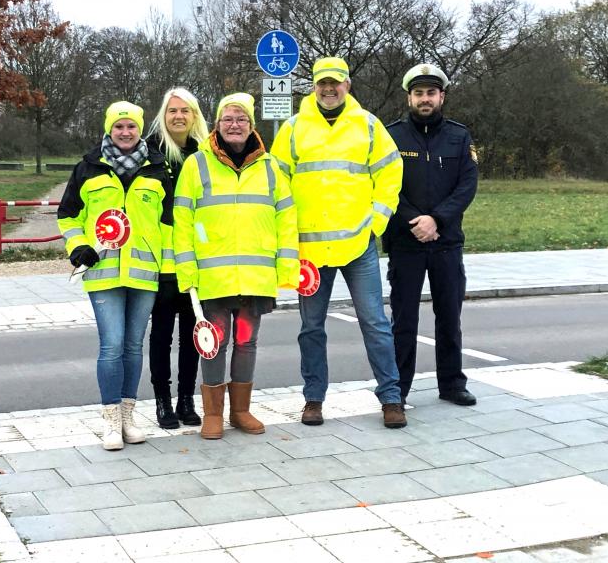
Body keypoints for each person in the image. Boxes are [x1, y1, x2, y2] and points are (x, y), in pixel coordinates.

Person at [271, 56, 407, 429]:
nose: (329, 89)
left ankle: (391, 398)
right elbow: (277, 183)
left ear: (348, 85)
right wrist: (286, 235)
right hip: (310, 250)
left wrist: (376, 221)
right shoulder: (294, 128)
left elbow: (391, 171)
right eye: (322, 83)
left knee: (375, 323)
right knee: (310, 328)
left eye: (336, 83)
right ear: (313, 86)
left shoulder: (367, 125)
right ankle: (313, 399)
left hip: (356, 243)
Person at [173, 92, 299, 440]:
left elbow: (286, 221)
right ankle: (213, 413)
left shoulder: (271, 168)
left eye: (241, 119)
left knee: (246, 341)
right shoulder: (196, 165)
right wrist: (187, 270)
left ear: (251, 125)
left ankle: (241, 410)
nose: (234, 125)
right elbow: (182, 220)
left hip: (256, 276)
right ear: (217, 125)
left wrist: (286, 268)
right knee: (215, 342)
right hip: (212, 276)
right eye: (228, 119)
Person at [57, 101, 174, 450]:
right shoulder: (88, 168)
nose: (125, 132)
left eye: (131, 127)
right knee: (112, 346)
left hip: (144, 273)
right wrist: (78, 248)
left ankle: (128, 416)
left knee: (133, 347)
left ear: (140, 130)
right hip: (103, 271)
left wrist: (167, 272)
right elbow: (68, 215)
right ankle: (110, 421)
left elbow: (168, 225)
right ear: (109, 130)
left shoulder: (157, 170)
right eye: (119, 127)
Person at [383, 63, 479, 406]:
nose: (425, 99)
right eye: (419, 93)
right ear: (409, 97)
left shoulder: (459, 135)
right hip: (406, 243)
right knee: (404, 321)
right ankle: (399, 388)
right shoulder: (391, 136)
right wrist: (416, 221)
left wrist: (436, 220)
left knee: (449, 317)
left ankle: (452, 384)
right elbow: (386, 187)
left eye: (431, 93)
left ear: (442, 96)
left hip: (446, 242)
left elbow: (467, 185)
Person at [146, 88, 210, 429]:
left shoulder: (204, 153)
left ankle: (187, 400)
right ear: (163, 114)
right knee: (161, 336)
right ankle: (162, 402)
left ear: (195, 116)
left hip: (195, 258)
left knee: (192, 334)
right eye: (172, 110)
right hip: (161, 261)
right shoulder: (150, 151)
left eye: (186, 110)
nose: (179, 116)